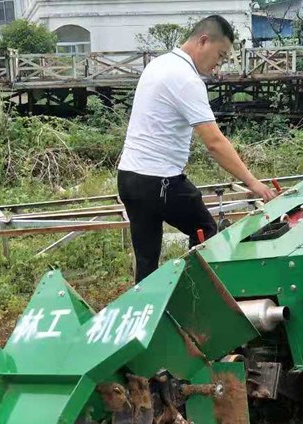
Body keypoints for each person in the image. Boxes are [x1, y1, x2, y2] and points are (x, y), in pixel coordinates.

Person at [117, 15, 276, 282]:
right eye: (220, 55)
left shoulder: (159, 64)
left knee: (147, 257)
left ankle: (147, 308)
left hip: (130, 177)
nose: (218, 64)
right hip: (160, 181)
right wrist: (252, 182)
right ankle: (196, 296)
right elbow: (214, 143)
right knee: (205, 231)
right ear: (203, 41)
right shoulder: (185, 78)